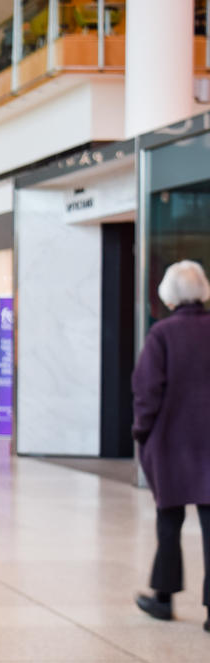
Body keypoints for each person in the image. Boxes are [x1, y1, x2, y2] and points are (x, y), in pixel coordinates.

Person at [131, 260, 210, 631]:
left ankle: (163, 597)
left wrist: (141, 432)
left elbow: (147, 391)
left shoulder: (162, 334)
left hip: (171, 441)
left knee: (169, 520)